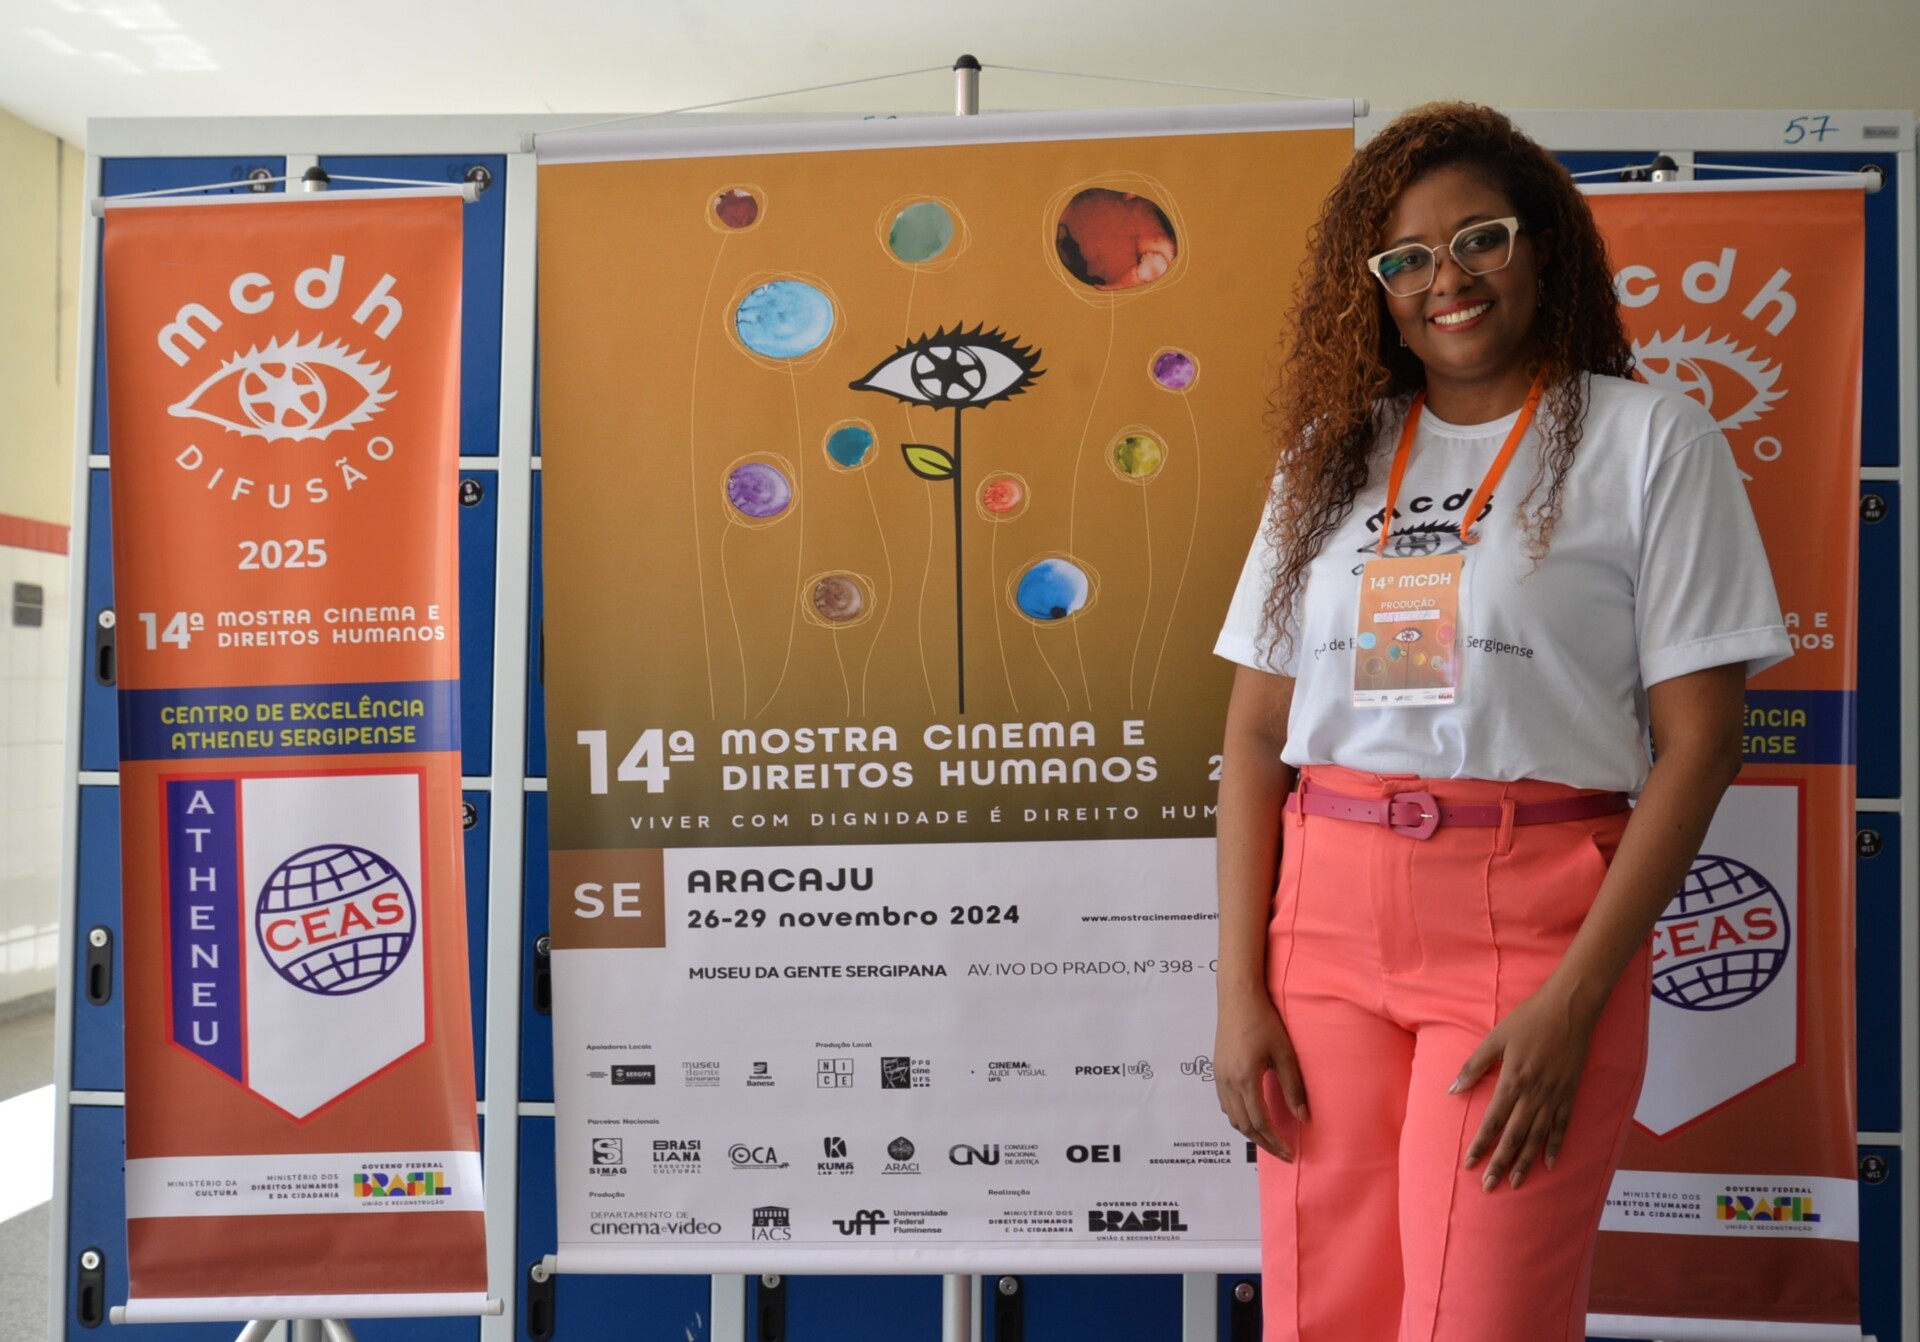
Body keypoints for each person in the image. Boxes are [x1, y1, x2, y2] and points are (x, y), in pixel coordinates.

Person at [1211, 103, 1790, 1342]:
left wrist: (1577, 1000)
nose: (1448, 279)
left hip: (1533, 926)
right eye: (1408, 258)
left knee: (1482, 1318)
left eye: (1480, 238)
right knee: (1324, 1312)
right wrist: (1237, 989)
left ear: (1543, 246)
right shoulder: (1329, 455)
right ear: (1374, 291)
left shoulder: (1650, 440)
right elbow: (1256, 737)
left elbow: (1702, 743)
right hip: (1323, 926)